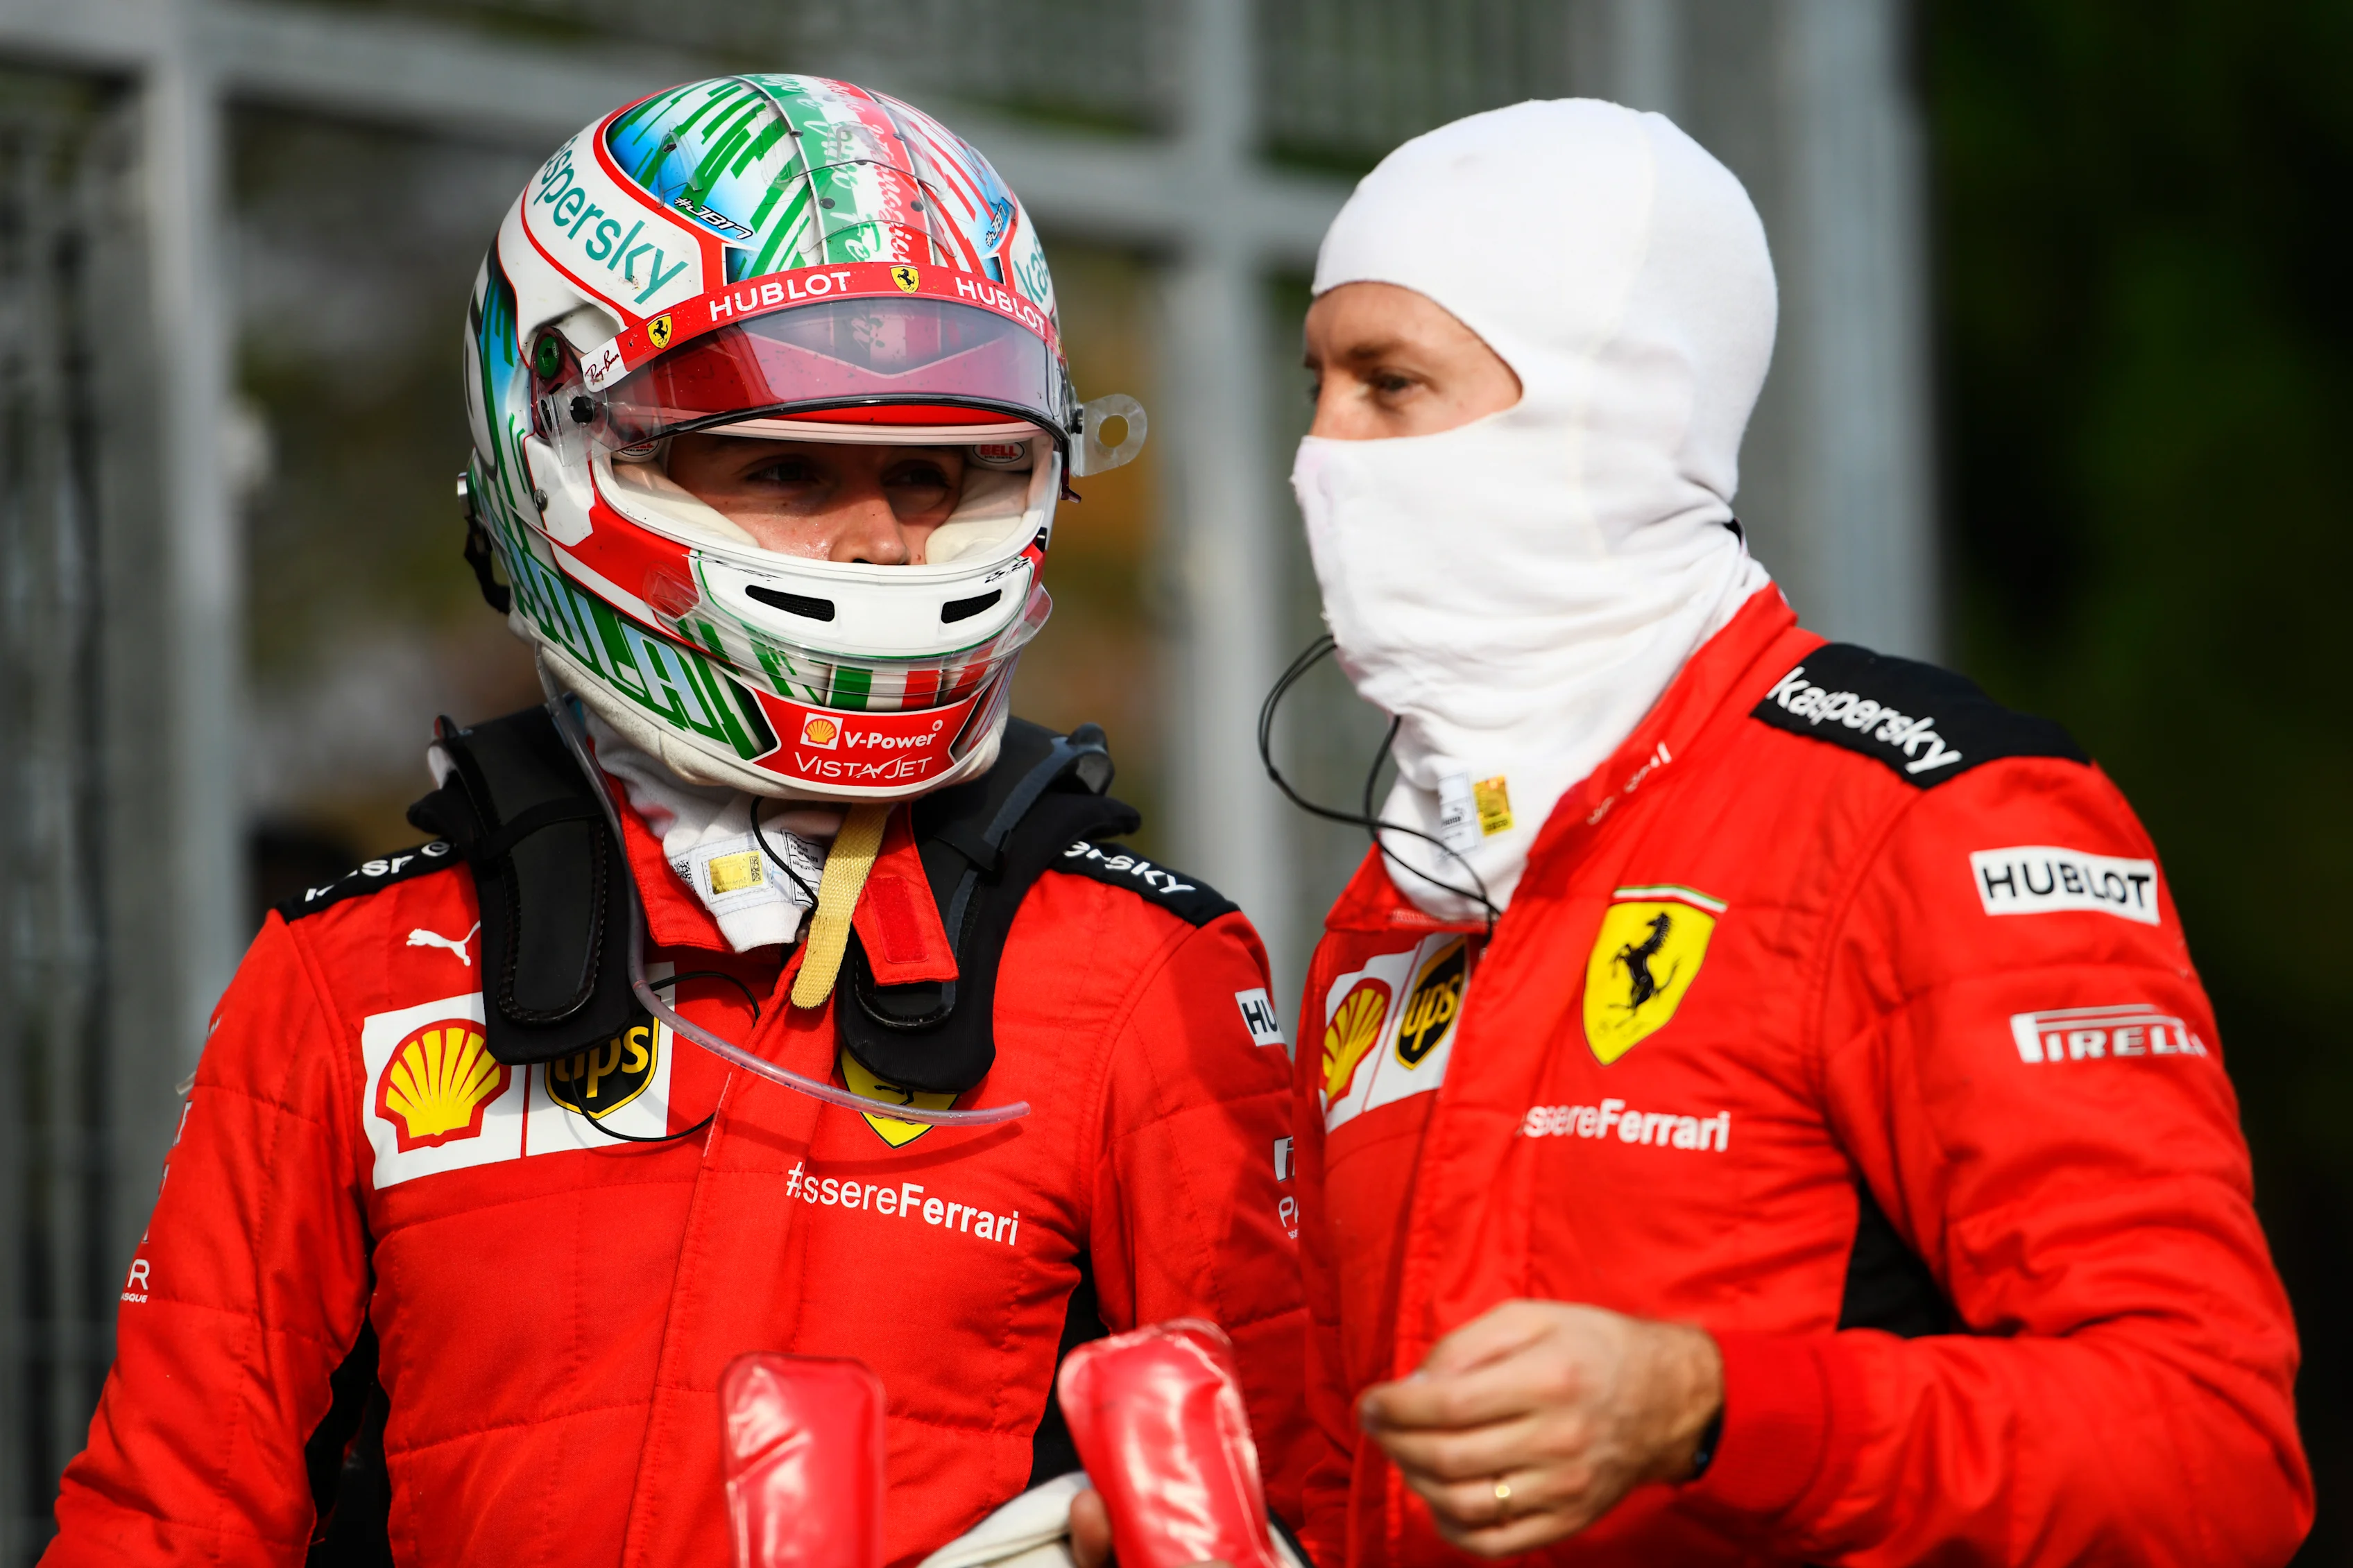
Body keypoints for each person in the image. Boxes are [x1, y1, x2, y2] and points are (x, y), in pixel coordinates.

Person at [43, 75, 1305, 1567]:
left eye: (930, 474)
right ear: (563, 455)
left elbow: (1305, 1499)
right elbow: (168, 1522)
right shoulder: (360, 972)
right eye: (784, 466)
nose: (875, 539)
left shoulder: (1131, 967)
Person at [1281, 100, 2310, 1565]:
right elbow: (1354, 1491)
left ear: (1608, 407)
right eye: (1314, 383)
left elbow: (2206, 1450)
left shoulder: (1925, 813)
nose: (1321, 452)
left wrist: (1708, 1406)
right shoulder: (1407, 887)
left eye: (1392, 385)